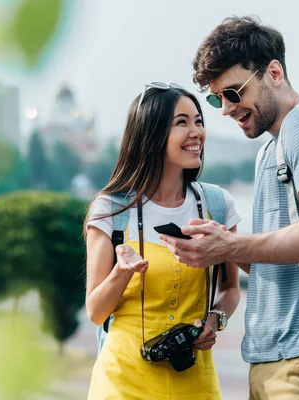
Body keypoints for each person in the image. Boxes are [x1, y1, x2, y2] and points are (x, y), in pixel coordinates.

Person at [159, 16, 299, 399]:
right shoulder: (272, 147)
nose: (224, 109)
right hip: (279, 361)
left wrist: (231, 247)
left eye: (233, 92)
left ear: (274, 72)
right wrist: (215, 247)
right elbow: (281, 258)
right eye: (216, 98)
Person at [85, 83, 241, 399]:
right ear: (151, 134)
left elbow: (231, 288)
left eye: (198, 121)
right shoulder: (112, 209)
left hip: (195, 382)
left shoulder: (218, 205)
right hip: (122, 383)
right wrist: (122, 272)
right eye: (181, 122)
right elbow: (96, 312)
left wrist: (215, 320)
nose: (196, 131)